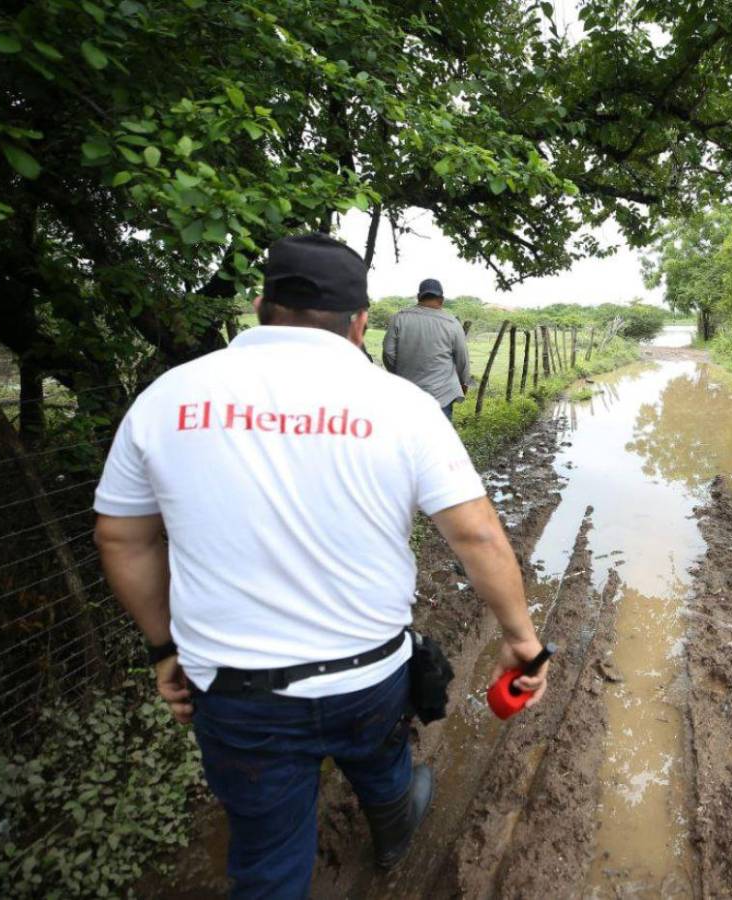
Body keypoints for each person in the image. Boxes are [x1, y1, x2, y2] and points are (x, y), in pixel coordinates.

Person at [92, 233, 548, 899]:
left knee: (267, 855)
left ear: (258, 306)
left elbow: (121, 541)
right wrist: (520, 639)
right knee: (384, 763)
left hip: (235, 691)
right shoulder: (405, 407)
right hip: (370, 673)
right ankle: (394, 830)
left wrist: (165, 649)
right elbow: (476, 535)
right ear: (360, 320)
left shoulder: (169, 396)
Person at [383, 278, 470, 420]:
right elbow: (462, 359)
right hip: (441, 397)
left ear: (418, 297)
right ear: (441, 300)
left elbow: (388, 353)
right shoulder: (452, 323)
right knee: (438, 440)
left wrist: (400, 373)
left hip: (408, 394)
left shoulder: (400, 318)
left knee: (408, 439)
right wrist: (464, 382)